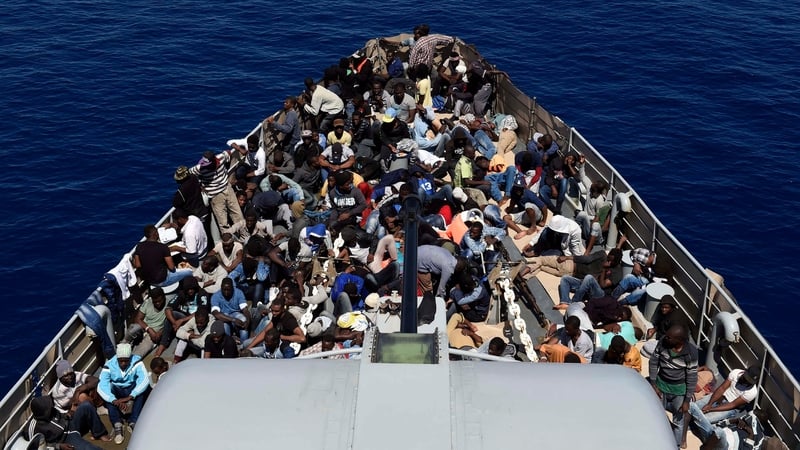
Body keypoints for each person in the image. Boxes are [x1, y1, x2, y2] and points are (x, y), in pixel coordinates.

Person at [649, 323, 699, 447]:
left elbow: (692, 377)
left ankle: (675, 445)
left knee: (678, 422)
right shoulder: (663, 343)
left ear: (680, 340)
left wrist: (687, 400)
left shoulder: (691, 353)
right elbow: (653, 362)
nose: (666, 338)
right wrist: (653, 383)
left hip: (679, 391)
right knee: (657, 416)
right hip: (661, 386)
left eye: (670, 337)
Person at [689, 366, 760, 441]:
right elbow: (722, 388)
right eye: (746, 378)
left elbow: (733, 404)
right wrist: (709, 404)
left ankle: (692, 429)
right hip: (719, 396)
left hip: (730, 408)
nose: (747, 381)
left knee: (705, 419)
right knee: (694, 406)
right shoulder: (736, 372)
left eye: (750, 381)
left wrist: (711, 409)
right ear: (745, 372)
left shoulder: (752, 392)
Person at [97, 343, 150, 444]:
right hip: (117, 390)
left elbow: (144, 380)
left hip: (131, 389)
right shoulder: (109, 365)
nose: (123, 364)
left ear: (130, 358)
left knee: (142, 390)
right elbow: (102, 385)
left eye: (126, 361)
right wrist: (114, 400)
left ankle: (133, 421)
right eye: (120, 361)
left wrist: (131, 396)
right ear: (117, 358)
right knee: (108, 392)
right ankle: (117, 424)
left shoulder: (136, 361)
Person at [26, 395, 111, 449]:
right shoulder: (34, 427)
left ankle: (100, 433)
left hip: (70, 423)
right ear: (42, 411)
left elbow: (61, 414)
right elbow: (38, 446)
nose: (51, 407)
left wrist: (67, 414)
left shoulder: (51, 409)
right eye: (48, 408)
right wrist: (58, 446)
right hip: (65, 438)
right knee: (88, 448)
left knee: (86, 406)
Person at [189, 149, 244, 229]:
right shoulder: (199, 168)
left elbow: (228, 152)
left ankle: (244, 235)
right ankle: (228, 240)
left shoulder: (221, 157)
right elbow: (189, 174)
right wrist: (200, 184)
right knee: (223, 222)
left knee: (238, 215)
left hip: (227, 189)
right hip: (215, 196)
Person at [122, 286, 167, 357]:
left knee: (139, 353)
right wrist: (148, 329)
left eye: (159, 301)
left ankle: (131, 360)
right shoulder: (147, 302)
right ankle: (124, 344)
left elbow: (170, 324)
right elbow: (137, 319)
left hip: (154, 335)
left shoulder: (169, 305)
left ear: (164, 297)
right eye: (155, 302)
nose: (158, 303)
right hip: (144, 328)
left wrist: (160, 333)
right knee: (133, 328)